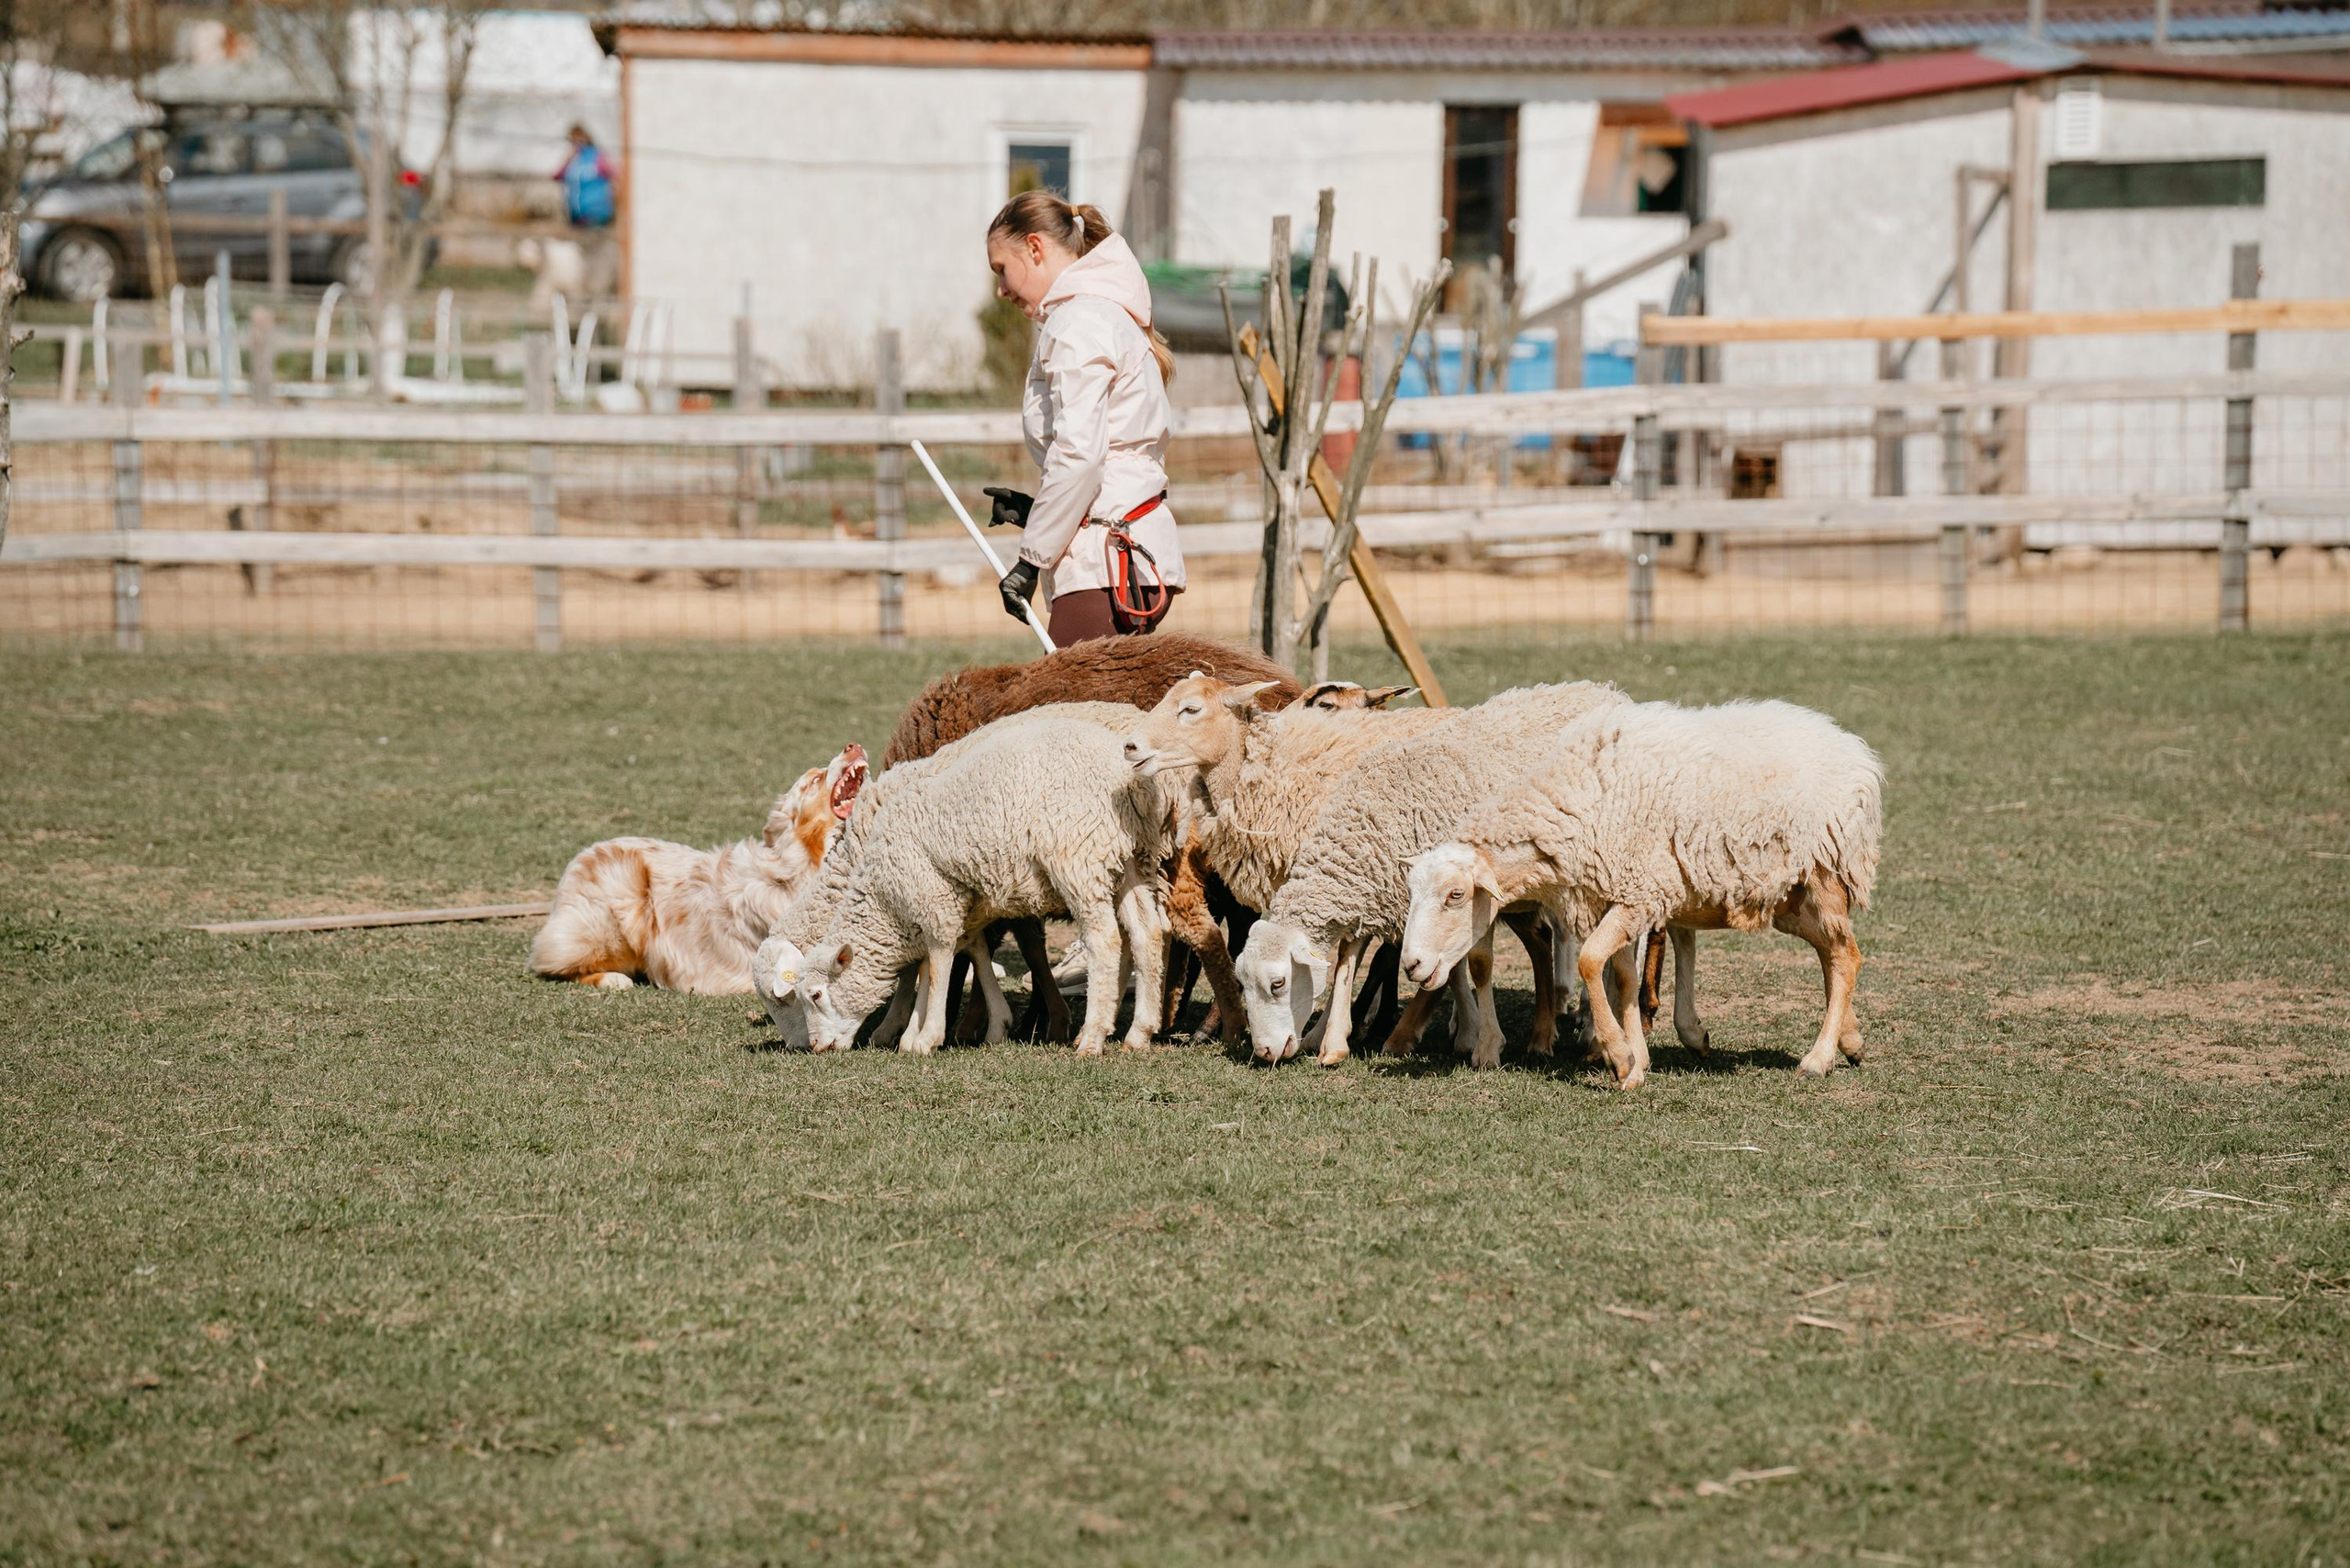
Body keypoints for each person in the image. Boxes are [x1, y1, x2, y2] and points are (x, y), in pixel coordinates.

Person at [982, 191, 1185, 644]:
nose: (1001, 289)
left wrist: (1031, 560)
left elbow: (1080, 455)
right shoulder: (1096, 316)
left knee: (1070, 713)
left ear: (1034, 248)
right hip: (1119, 551)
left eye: (1002, 269)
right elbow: (1109, 456)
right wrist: (1038, 513)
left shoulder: (1079, 323)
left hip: (1108, 563)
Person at [554, 123, 616, 230]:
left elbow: (615, 174)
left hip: (596, 215)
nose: (576, 143)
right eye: (572, 140)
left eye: (579, 139)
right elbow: (556, 176)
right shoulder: (573, 160)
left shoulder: (597, 157)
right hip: (577, 216)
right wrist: (568, 159)